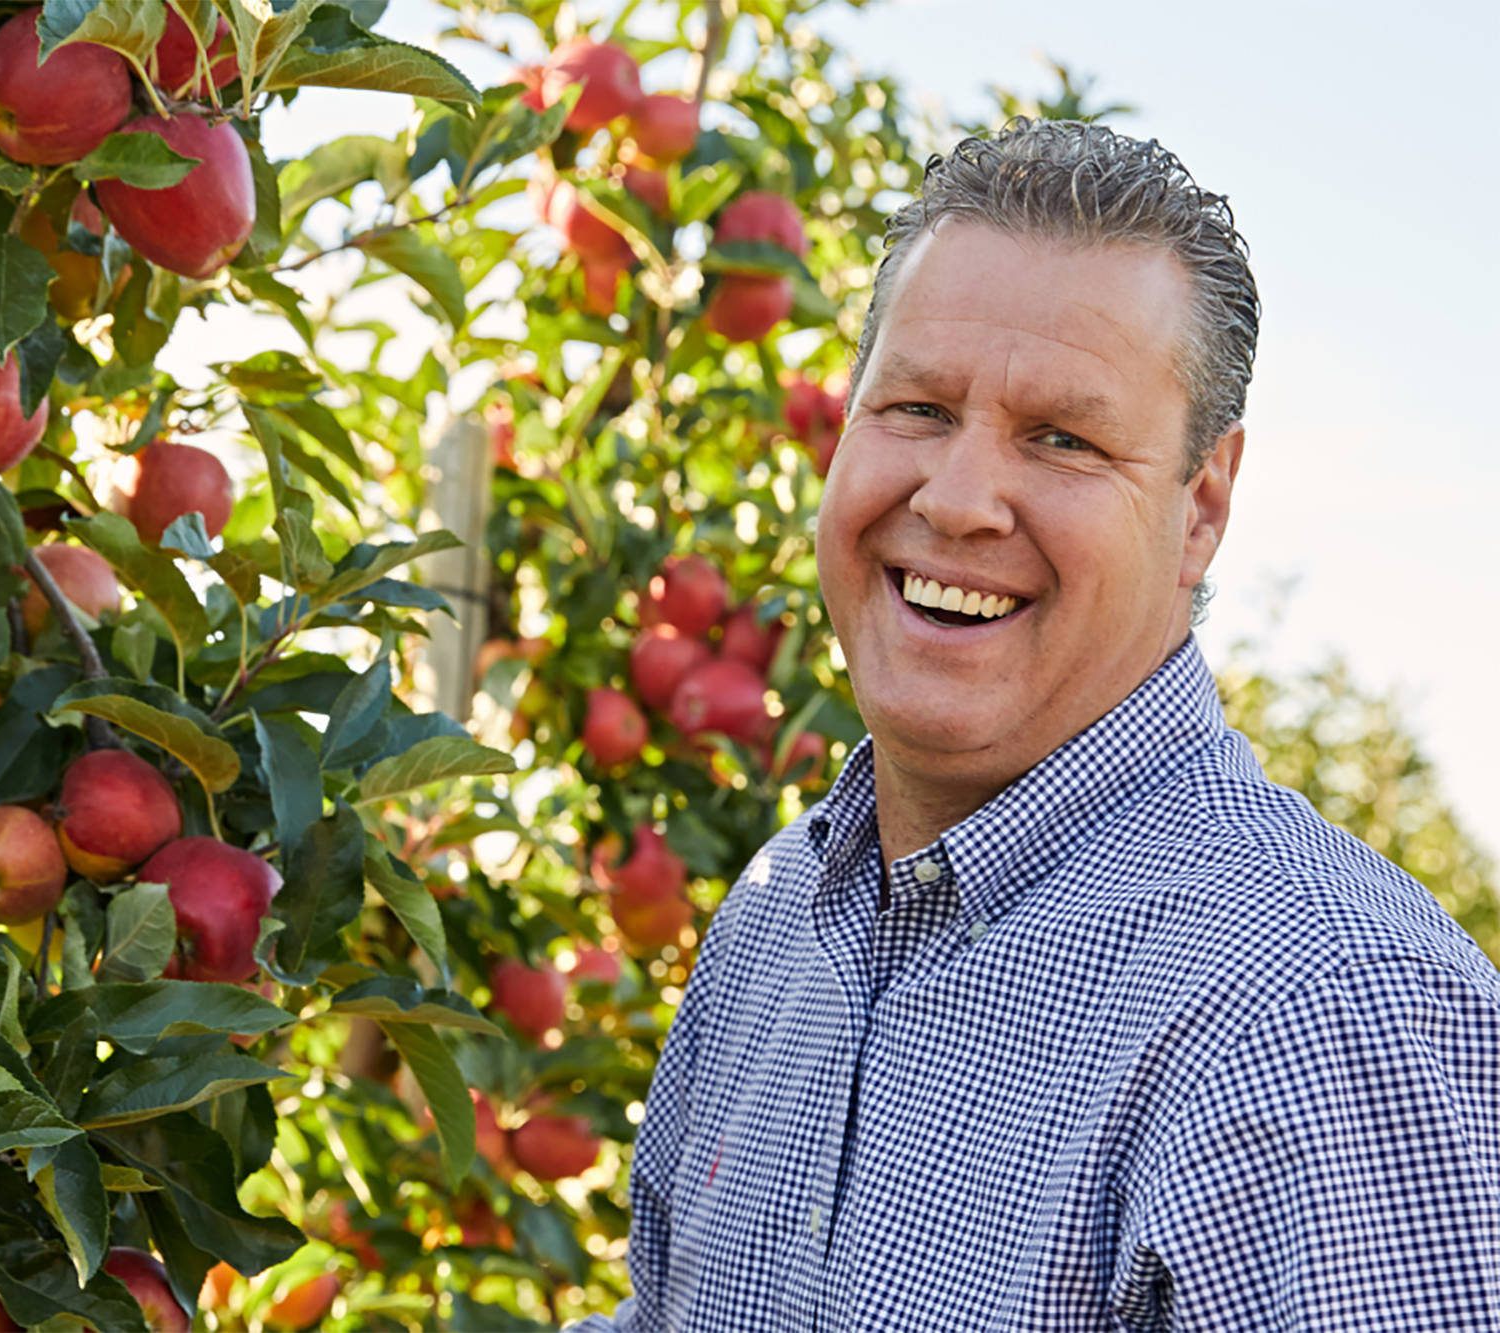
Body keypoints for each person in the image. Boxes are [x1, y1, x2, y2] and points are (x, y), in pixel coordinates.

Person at [575, 120, 1500, 1331]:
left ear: (1200, 510)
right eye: (911, 406)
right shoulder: (775, 922)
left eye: (1061, 438)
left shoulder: (1328, 1021)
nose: (955, 500)